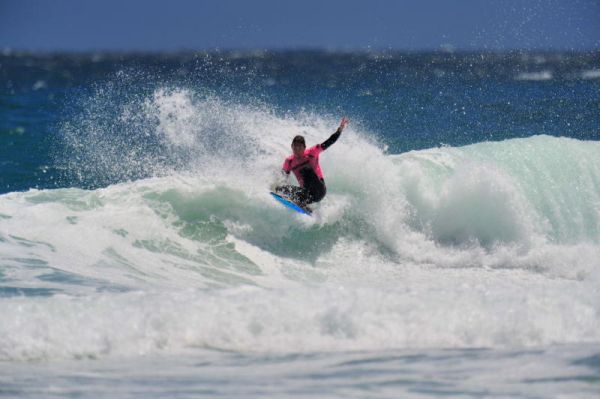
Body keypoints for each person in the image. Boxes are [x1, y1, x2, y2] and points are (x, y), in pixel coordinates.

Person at [275, 117, 349, 210]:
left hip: (319, 190)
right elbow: (283, 177)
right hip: (306, 194)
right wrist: (281, 189)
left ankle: (301, 202)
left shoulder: (312, 152)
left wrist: (340, 128)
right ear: (291, 146)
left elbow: (330, 141)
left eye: (299, 147)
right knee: (280, 189)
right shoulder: (289, 161)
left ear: (304, 147)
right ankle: (303, 204)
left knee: (306, 169)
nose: (296, 150)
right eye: (295, 147)